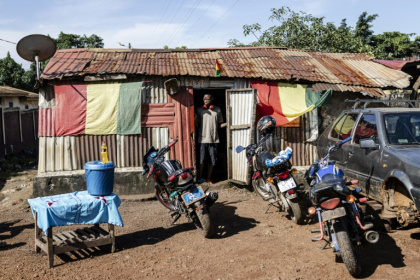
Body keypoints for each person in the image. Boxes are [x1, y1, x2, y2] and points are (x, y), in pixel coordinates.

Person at [195, 94, 226, 184]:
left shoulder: (218, 110)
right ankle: (200, 177)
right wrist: (195, 119)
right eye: (204, 99)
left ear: (212, 99)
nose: (205, 101)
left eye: (207, 99)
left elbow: (220, 124)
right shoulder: (199, 110)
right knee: (201, 160)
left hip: (214, 140)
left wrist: (229, 123)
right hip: (202, 140)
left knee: (212, 160)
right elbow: (197, 125)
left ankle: (209, 178)